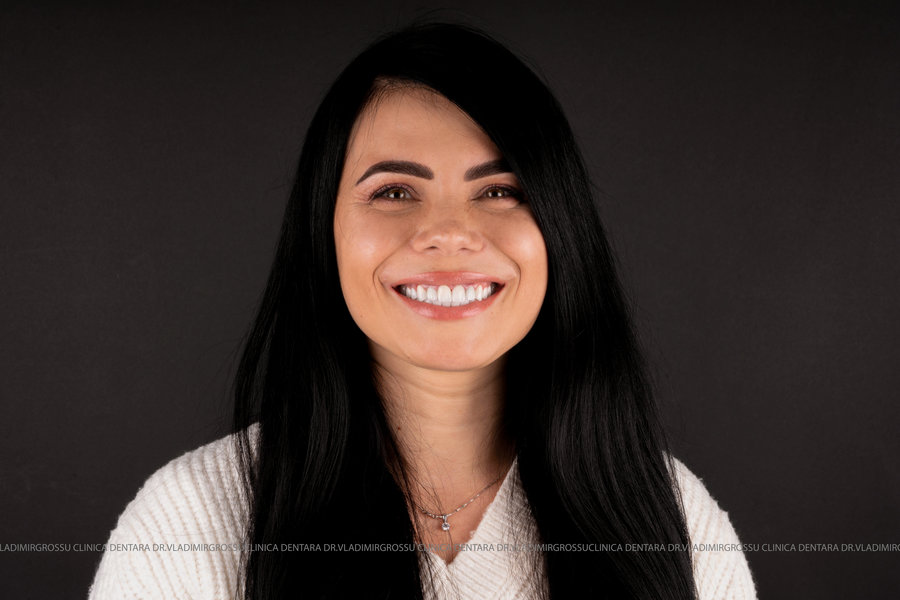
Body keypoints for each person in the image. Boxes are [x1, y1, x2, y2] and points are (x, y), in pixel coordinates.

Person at [89, 23, 756, 599]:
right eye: (395, 192)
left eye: (500, 190)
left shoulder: (674, 522)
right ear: (323, 233)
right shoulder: (190, 526)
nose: (449, 234)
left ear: (562, 229)